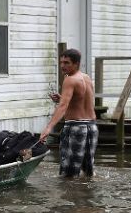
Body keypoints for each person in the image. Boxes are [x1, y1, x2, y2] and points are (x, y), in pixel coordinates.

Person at [39, 48, 99, 177]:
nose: (62, 66)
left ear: (76, 63)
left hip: (75, 128)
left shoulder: (69, 79)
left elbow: (63, 106)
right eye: (61, 62)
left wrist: (48, 128)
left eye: (66, 63)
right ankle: (88, 191)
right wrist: (62, 98)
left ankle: (70, 191)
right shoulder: (86, 78)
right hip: (91, 127)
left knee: (68, 174)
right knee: (88, 172)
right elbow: (82, 102)